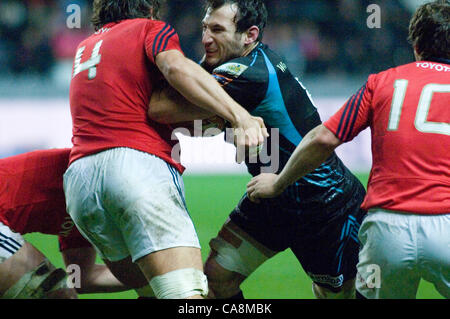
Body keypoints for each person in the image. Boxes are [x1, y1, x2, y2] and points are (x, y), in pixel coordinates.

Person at [148, 0, 367, 299]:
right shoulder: (249, 62)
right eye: (204, 28)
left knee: (335, 295)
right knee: (216, 278)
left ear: (249, 35)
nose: (205, 39)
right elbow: (206, 126)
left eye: (217, 30)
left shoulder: (244, 74)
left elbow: (161, 108)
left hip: (322, 204)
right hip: (269, 196)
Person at [64, 0, 267, 300]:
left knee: (153, 293)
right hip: (134, 169)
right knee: (186, 296)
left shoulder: (87, 46)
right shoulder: (149, 28)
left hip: (81, 187)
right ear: (148, 9)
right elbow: (175, 67)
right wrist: (240, 116)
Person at [247, 0, 450, 299]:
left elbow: (322, 139)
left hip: (386, 229)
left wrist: (278, 182)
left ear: (415, 43)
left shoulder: (382, 82)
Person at [0, 148, 140, 299]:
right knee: (54, 295)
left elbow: (81, 279)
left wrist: (158, 275)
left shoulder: (84, 212)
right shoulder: (91, 175)